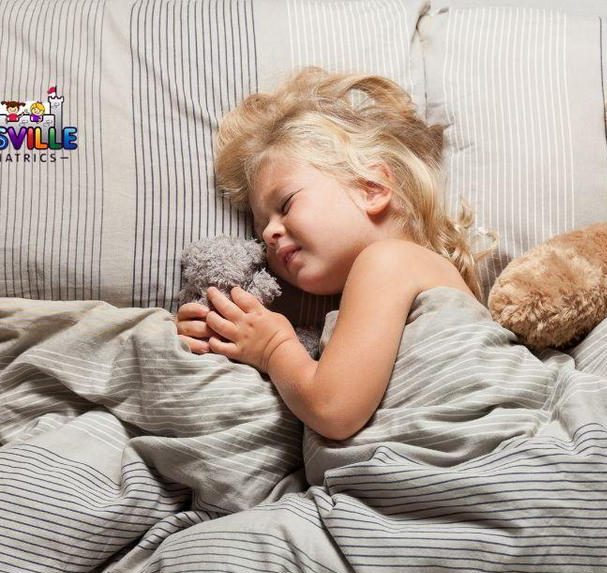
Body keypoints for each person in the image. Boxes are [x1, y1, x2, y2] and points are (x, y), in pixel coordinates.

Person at [174, 66, 496, 442]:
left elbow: (332, 409)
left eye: (287, 203)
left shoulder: (390, 262)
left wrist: (275, 348)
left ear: (371, 188)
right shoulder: (379, 292)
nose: (269, 233)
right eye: (261, 229)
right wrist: (213, 338)